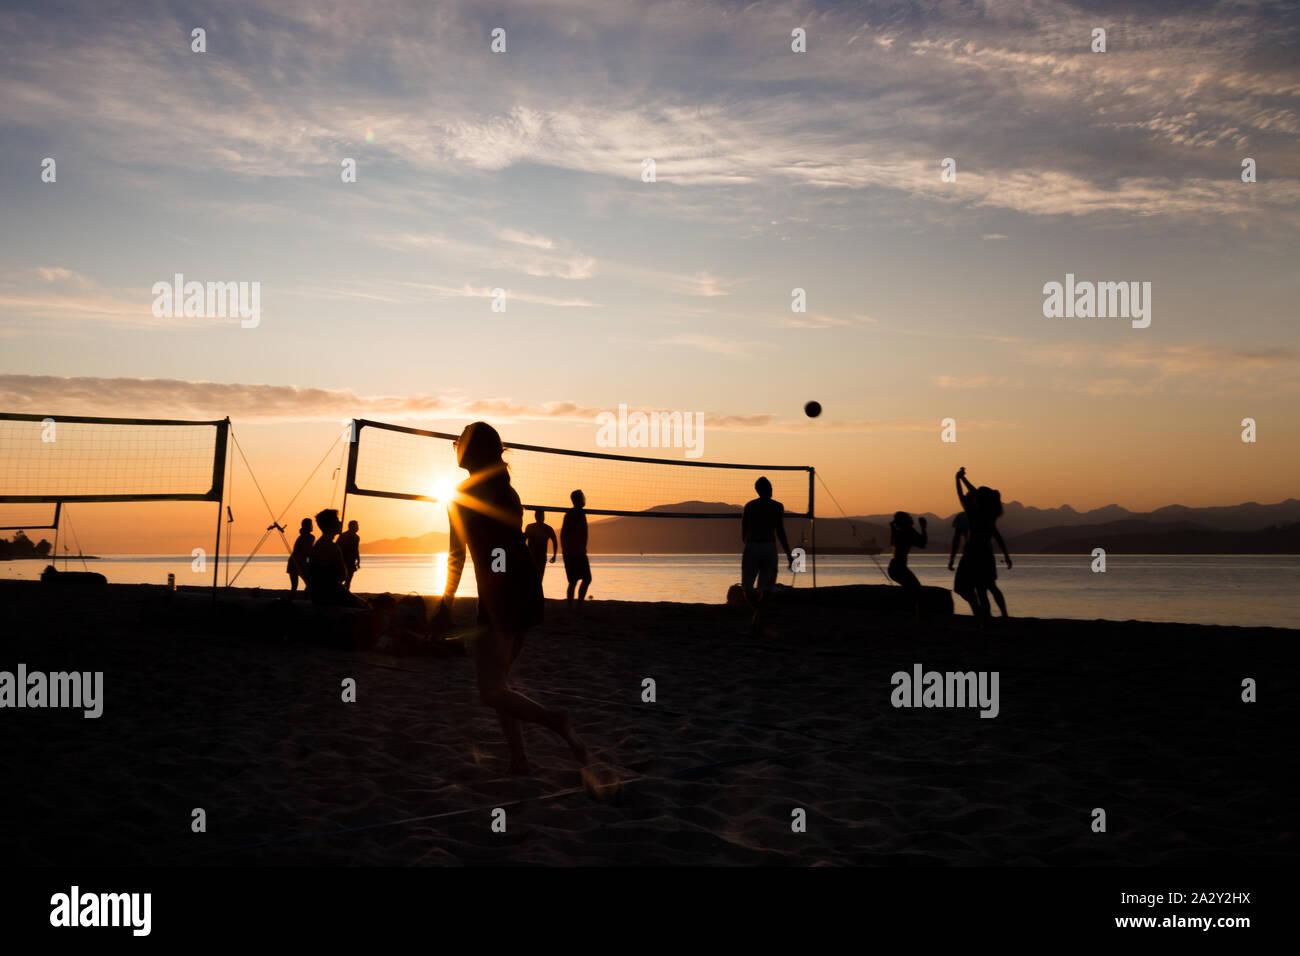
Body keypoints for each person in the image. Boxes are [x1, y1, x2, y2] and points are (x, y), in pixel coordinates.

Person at [435, 423, 587, 775]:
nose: (453, 445)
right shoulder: (508, 490)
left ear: (470, 451)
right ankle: (519, 759)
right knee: (499, 682)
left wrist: (444, 604)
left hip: (500, 594)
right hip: (526, 588)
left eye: (459, 440)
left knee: (490, 691)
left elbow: (456, 555)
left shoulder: (461, 495)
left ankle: (556, 720)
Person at [954, 468, 1012, 627]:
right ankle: (994, 618)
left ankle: (983, 617)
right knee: (986, 588)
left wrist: (958, 479)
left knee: (971, 588)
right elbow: (998, 537)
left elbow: (962, 494)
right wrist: (963, 479)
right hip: (986, 553)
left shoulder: (973, 513)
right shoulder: (990, 513)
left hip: (973, 553)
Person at [741, 476, 793, 635]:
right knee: (765, 588)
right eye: (769, 487)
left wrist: (750, 545)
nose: (771, 490)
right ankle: (759, 616)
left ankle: (757, 617)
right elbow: (780, 531)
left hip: (753, 545)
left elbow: (743, 533)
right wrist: (789, 554)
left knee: (750, 587)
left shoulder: (749, 506)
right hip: (767, 546)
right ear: (765, 489)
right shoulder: (777, 506)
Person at [949, 509, 1008, 619]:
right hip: (978, 555)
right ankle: (985, 614)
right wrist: (1006, 556)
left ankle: (986, 615)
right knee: (983, 588)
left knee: (984, 588)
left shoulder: (976, 516)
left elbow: (956, 539)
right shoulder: (980, 516)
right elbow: (997, 536)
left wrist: (952, 558)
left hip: (975, 556)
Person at [308, 508, 366, 608]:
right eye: (337, 520)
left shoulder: (320, 544)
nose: (340, 522)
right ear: (331, 524)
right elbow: (340, 576)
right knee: (366, 607)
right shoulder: (330, 546)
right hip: (328, 596)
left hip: (321, 594)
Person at [888, 511, 928, 624]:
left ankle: (911, 617)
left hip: (894, 568)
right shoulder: (908, 530)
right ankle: (916, 618)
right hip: (899, 568)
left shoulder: (898, 531)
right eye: (908, 517)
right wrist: (923, 527)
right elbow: (922, 543)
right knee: (916, 590)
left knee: (912, 590)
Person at [560, 490, 592, 611]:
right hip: (573, 552)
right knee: (575, 581)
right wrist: (567, 551)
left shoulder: (579, 513)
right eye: (582, 497)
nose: (584, 499)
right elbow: (564, 534)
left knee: (584, 579)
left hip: (578, 552)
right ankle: (573, 606)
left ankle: (576, 605)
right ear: (578, 499)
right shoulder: (572, 514)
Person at [523, 510, 558, 581]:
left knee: (535, 579)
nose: (542, 517)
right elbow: (555, 541)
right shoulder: (547, 528)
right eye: (541, 516)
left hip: (536, 557)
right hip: (534, 557)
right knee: (535, 579)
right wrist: (554, 555)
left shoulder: (531, 527)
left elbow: (555, 541)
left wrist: (554, 555)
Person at [287, 518, 313, 594]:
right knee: (295, 586)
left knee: (309, 584)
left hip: (301, 563)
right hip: (295, 563)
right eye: (310, 525)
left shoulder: (310, 537)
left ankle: (305, 597)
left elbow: (309, 552)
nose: (311, 526)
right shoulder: (304, 538)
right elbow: (308, 552)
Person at [337, 519, 361, 590]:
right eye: (355, 526)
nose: (357, 527)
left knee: (349, 578)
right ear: (351, 527)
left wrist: (358, 559)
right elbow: (337, 547)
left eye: (357, 526)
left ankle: (346, 590)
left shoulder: (357, 537)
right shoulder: (343, 536)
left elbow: (356, 549)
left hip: (351, 560)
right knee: (341, 578)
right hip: (343, 560)